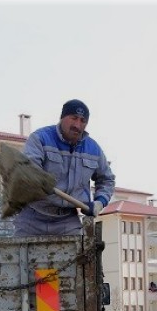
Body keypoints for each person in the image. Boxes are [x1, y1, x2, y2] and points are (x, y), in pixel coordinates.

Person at [12, 99, 116, 237]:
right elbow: (30, 169)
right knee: (19, 257)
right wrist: (39, 180)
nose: (77, 125)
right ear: (62, 117)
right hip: (33, 217)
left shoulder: (93, 149)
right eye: (73, 118)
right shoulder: (40, 138)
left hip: (67, 220)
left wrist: (100, 202)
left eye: (82, 121)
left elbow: (107, 179)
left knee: (81, 256)